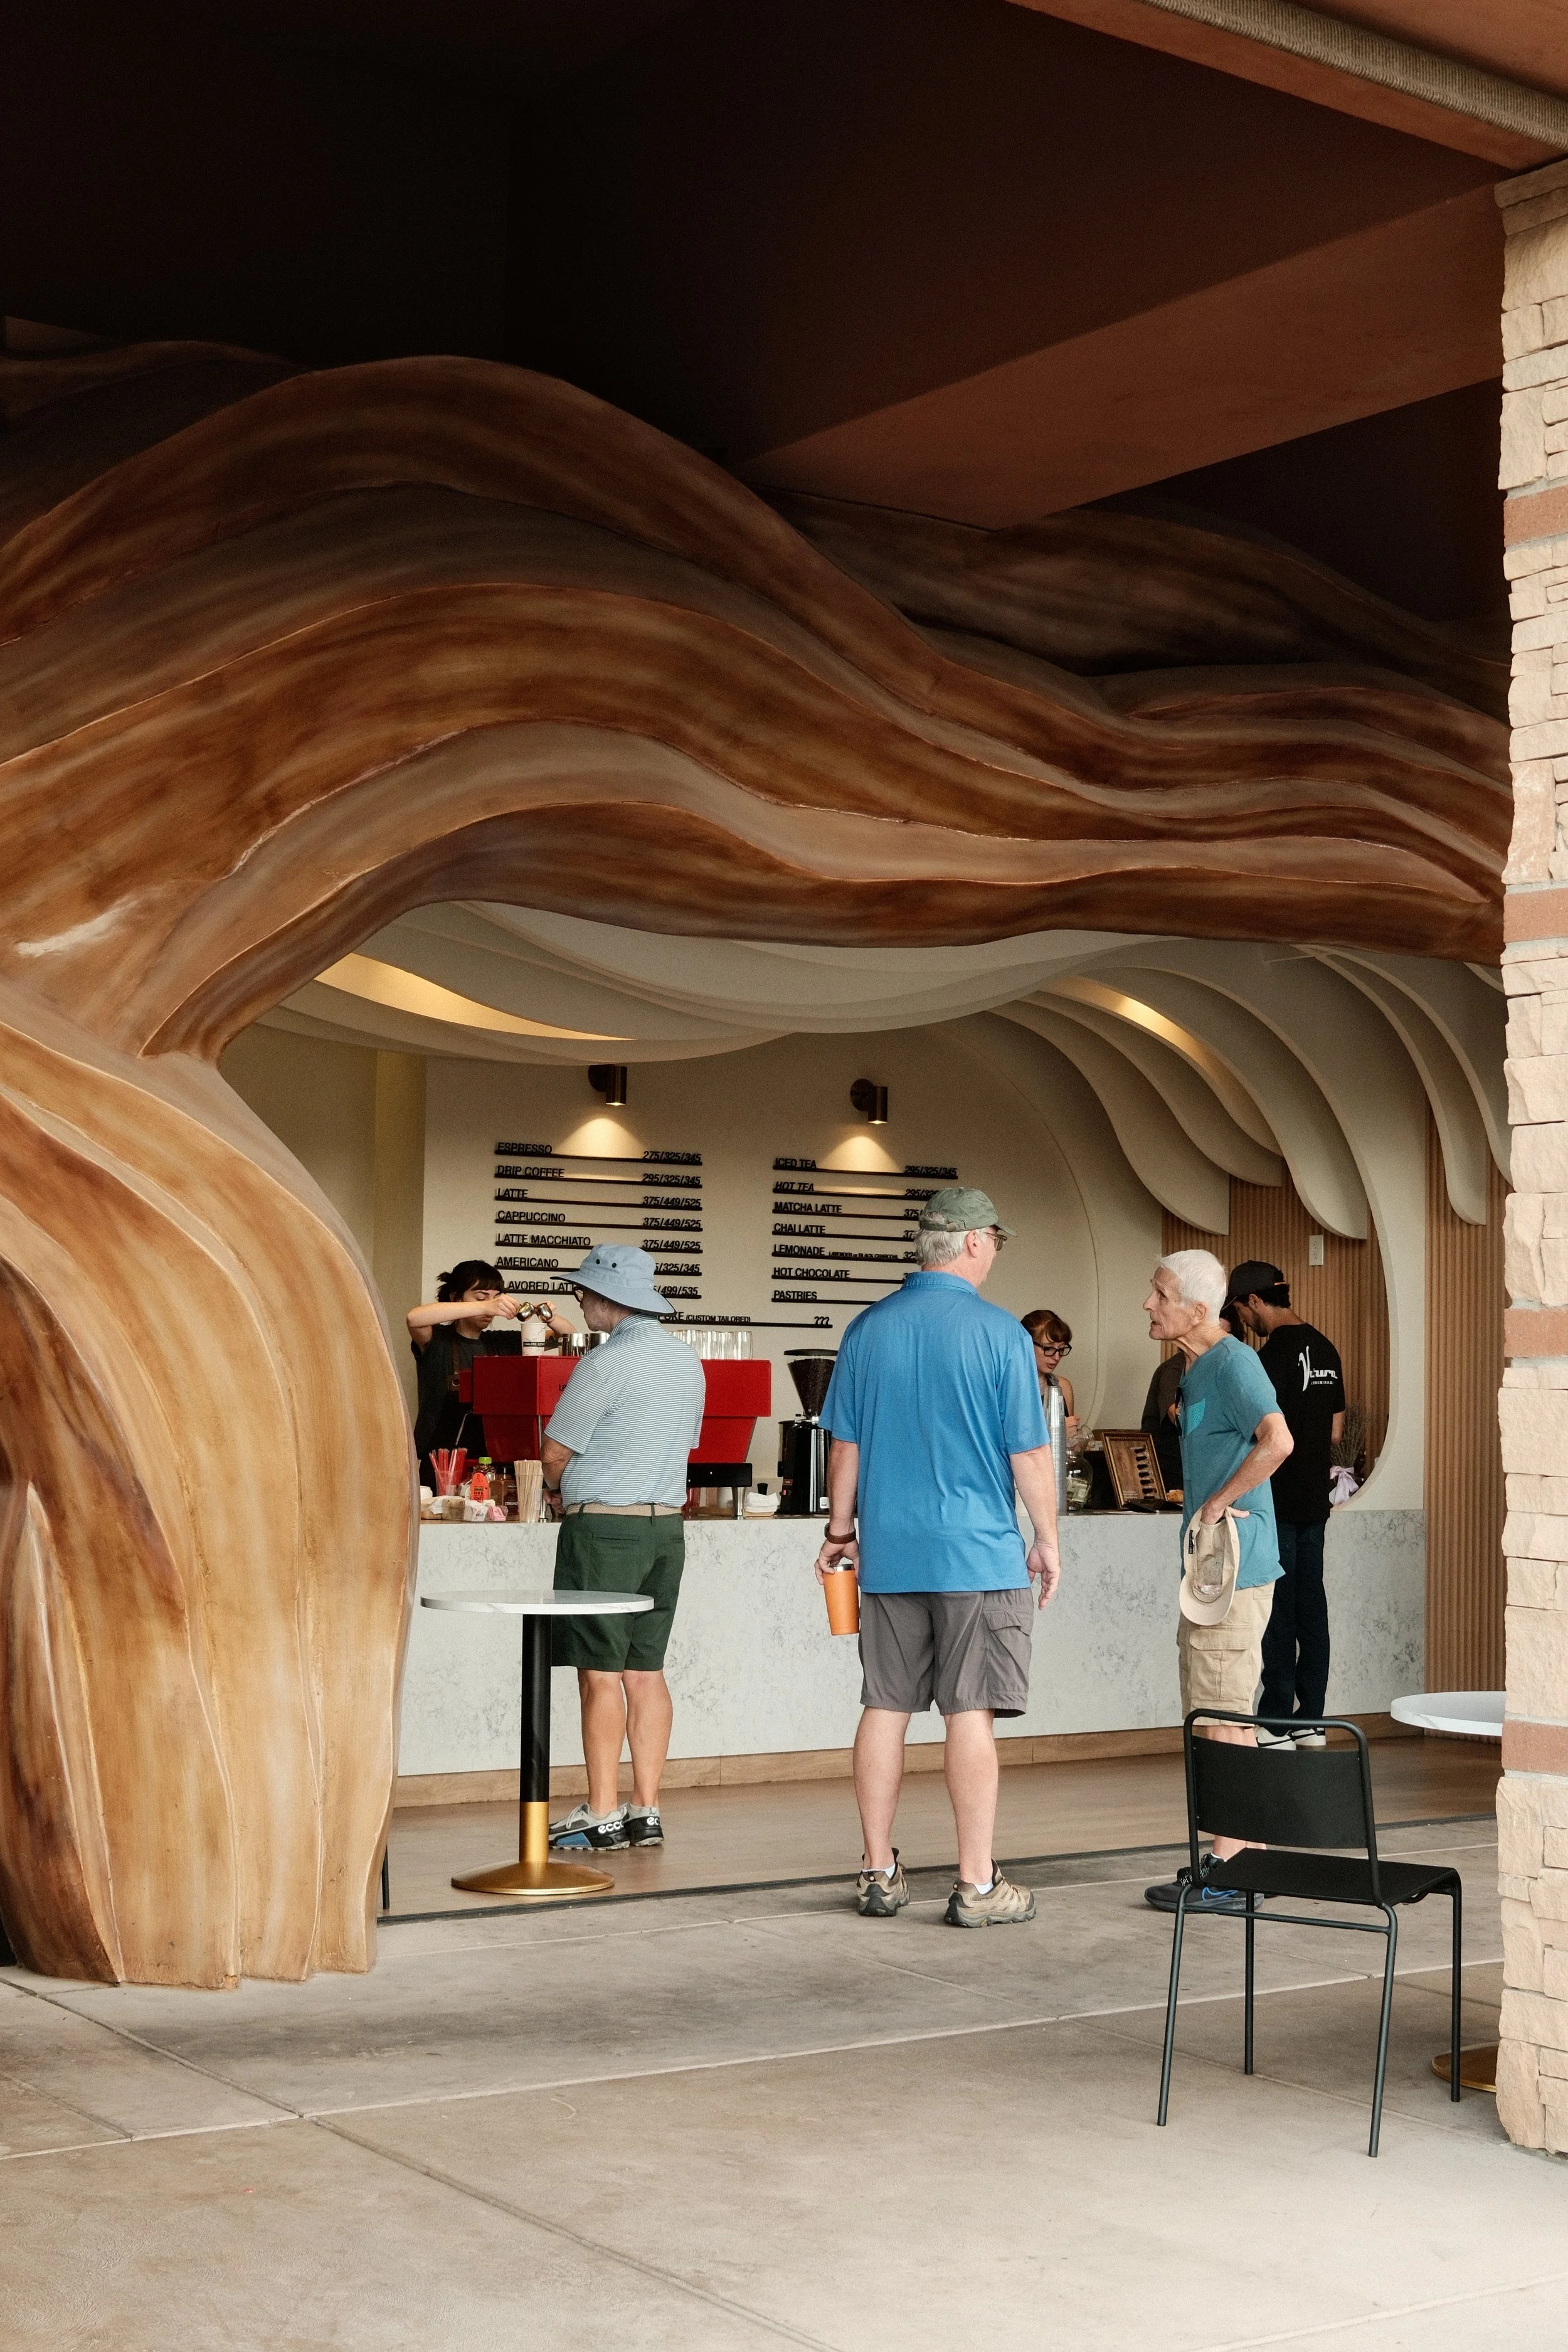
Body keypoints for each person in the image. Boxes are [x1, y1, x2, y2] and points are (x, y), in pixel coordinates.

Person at [816, 1187, 1062, 1929]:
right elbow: (1028, 1451)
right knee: (969, 1713)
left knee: (883, 1707)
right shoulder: (999, 1336)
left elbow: (845, 1444)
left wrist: (838, 1530)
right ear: (976, 1243)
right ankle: (976, 1883)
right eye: (997, 1242)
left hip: (891, 1555)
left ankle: (877, 1870)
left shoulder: (867, 1330)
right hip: (976, 1557)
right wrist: (1047, 1540)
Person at [1140, 1250, 1293, 1915]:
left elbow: (1277, 1440)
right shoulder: (1193, 1369)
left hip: (1233, 1570)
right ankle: (1231, 1855)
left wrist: (1216, 1502)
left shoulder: (1234, 1363)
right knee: (1210, 1715)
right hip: (1208, 1573)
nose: (1148, 1304)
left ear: (1197, 1311)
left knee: (1224, 1717)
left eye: (1159, 1293)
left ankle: (1234, 1870)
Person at [540, 1244, 706, 1854]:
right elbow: (681, 1443)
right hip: (667, 1531)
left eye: (582, 1292)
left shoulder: (603, 1365)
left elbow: (554, 1453)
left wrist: (557, 1493)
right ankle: (647, 1809)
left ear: (609, 1297)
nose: (578, 1300)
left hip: (604, 1532)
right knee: (646, 1671)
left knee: (600, 1675)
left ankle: (603, 1813)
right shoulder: (688, 1363)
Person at [1225, 1260, 1346, 1752]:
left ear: (1253, 1301)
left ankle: (1275, 1721)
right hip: (1315, 1501)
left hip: (1274, 1502)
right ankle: (1310, 1719)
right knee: (1311, 1606)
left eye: (1240, 1309)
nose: (1243, 1321)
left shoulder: (1267, 1359)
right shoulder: (1327, 1348)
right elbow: (1336, 1430)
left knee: (1277, 1610)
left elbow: (1259, 1435)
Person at [407, 1259, 544, 1484]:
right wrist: (486, 1306)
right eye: (481, 1297)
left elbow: (564, 1335)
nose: (490, 1306)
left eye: (495, 1298)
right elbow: (414, 1318)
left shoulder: (501, 1343)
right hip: (440, 1465)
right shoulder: (438, 1340)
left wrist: (547, 1315)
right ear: (455, 1298)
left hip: (493, 1463)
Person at [1021, 1308, 1080, 1445]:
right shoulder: (1009, 1387)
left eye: (1061, 1349)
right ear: (1027, 1344)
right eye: (1048, 1348)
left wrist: (1076, 1440)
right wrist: (1055, 1434)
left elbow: (1070, 1445)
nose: (1056, 1356)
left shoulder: (1063, 1386)